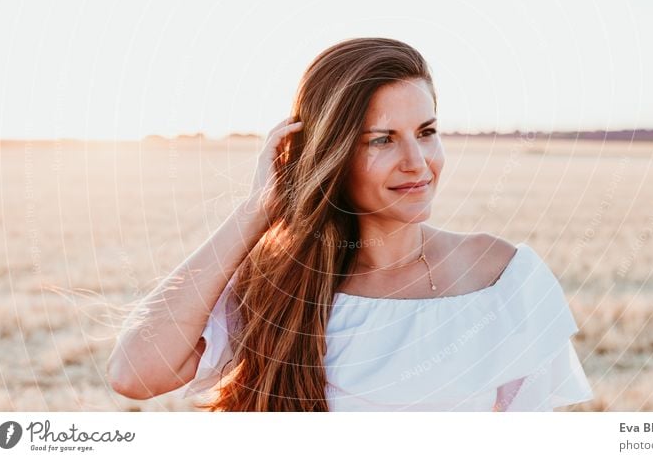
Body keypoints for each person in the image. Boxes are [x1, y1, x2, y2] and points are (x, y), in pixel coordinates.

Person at [106, 37, 594, 411]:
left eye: (426, 133)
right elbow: (135, 374)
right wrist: (256, 210)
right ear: (331, 155)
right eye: (382, 140)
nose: (417, 162)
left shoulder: (501, 278)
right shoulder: (277, 286)